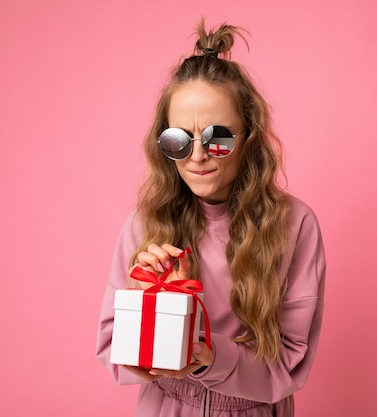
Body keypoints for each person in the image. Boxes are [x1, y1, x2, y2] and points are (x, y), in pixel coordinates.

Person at [96, 19, 326, 417]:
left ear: (248, 137)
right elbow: (114, 354)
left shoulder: (295, 225)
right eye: (178, 140)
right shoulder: (144, 222)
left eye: (218, 138)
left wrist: (205, 354)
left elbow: (290, 363)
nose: (197, 156)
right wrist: (141, 301)